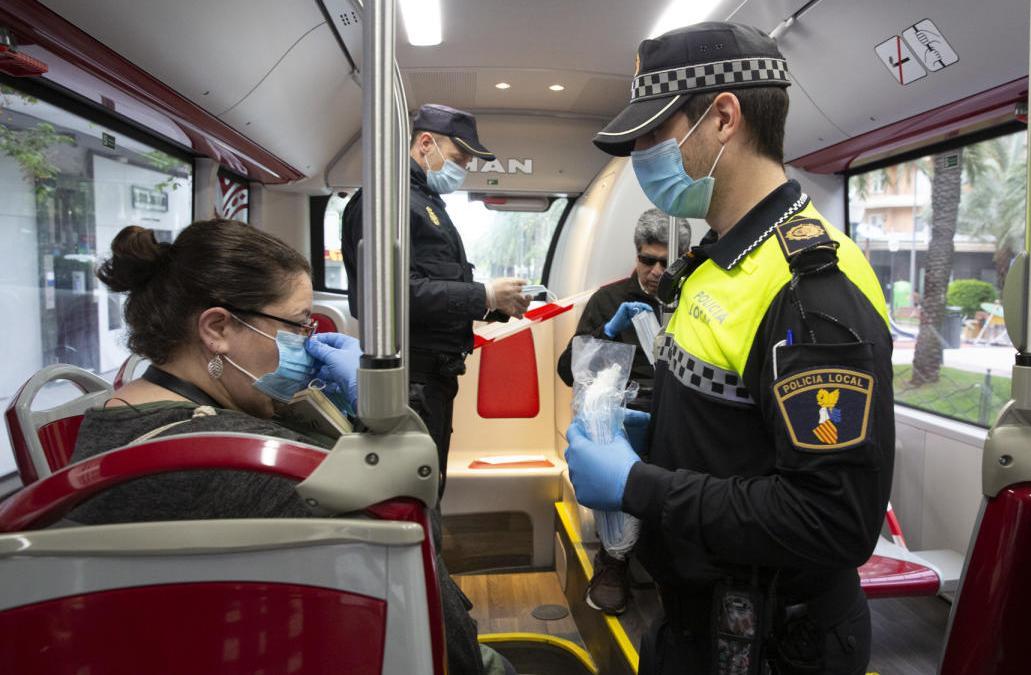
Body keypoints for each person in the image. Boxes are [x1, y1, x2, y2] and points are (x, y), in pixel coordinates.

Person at [563, 22, 894, 675]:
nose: (642, 154)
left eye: (656, 134)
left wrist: (640, 484)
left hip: (773, 642)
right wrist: (652, 432)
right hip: (693, 625)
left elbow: (833, 517)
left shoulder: (810, 292)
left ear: (722, 118)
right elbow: (737, 432)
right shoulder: (709, 264)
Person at [69, 219, 510, 675]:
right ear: (217, 328)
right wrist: (381, 414)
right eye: (298, 326)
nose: (309, 343)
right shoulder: (231, 458)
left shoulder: (112, 420)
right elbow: (412, 526)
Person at [342, 103, 530, 498]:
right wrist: (482, 294)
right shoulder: (387, 202)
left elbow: (433, 285)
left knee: (428, 486)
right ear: (426, 143)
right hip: (410, 378)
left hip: (433, 380)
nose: (463, 169)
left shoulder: (422, 202)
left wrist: (493, 305)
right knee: (411, 493)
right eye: (460, 157)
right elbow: (392, 295)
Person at [555, 207, 690, 615]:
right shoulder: (610, 300)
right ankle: (614, 560)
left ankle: (686, 569)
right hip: (621, 411)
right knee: (611, 440)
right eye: (648, 260)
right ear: (637, 257)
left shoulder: (695, 303)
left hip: (677, 408)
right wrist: (606, 333)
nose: (655, 271)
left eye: (667, 263)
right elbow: (568, 370)